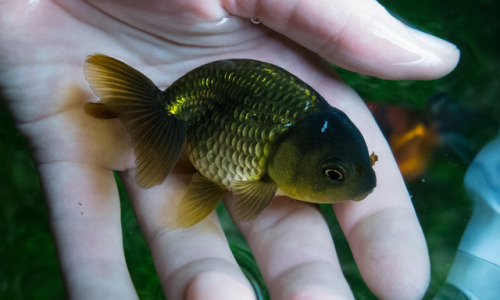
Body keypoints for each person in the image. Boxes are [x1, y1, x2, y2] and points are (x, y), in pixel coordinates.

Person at [0, 1, 459, 299]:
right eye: (333, 175)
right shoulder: (260, 172)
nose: (345, 183)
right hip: (205, 92)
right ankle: (141, 116)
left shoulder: (298, 137)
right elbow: (231, 184)